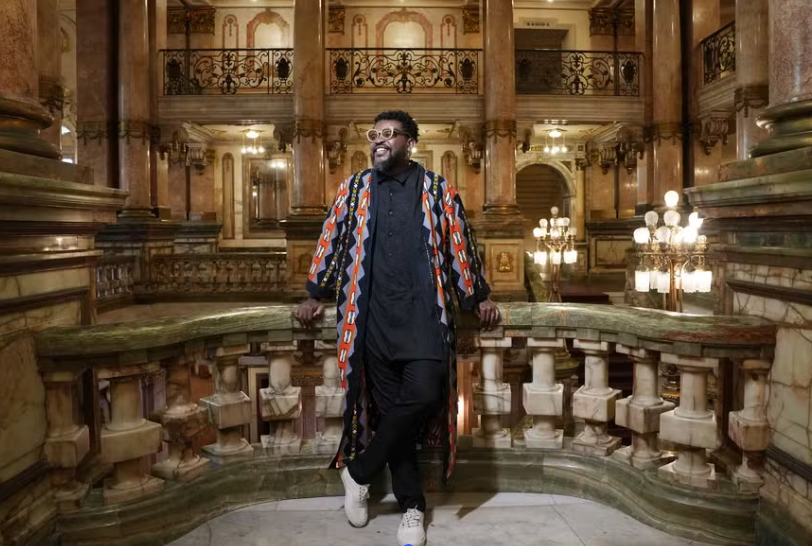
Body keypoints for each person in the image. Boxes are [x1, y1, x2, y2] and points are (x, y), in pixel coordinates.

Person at [294, 110, 499, 546]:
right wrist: (315, 293)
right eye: (374, 134)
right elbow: (331, 241)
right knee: (392, 418)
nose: (379, 140)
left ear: (410, 142)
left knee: (425, 393)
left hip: (424, 319)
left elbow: (461, 244)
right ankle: (412, 509)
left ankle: (359, 471)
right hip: (371, 324)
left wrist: (477, 296)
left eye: (389, 134)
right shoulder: (352, 190)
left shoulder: (438, 190)